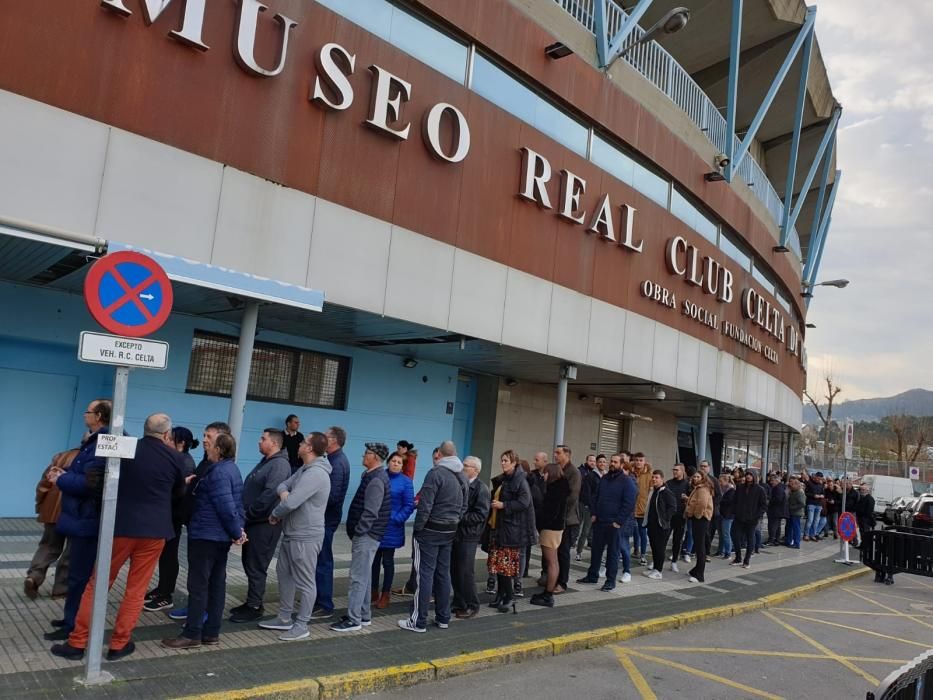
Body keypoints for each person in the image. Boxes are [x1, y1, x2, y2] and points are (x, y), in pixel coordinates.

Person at [52, 413, 186, 661]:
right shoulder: (175, 458)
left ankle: (77, 643)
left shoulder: (126, 448)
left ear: (144, 430)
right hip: (154, 531)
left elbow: (100, 477)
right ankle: (119, 644)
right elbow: (178, 492)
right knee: (136, 590)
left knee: (97, 583)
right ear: (167, 435)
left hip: (120, 527)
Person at [162, 432, 246, 649]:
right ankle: (211, 632)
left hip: (206, 536)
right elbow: (237, 504)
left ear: (219, 450)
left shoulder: (218, 472)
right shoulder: (232, 469)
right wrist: (238, 530)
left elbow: (226, 507)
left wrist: (237, 532)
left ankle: (192, 634)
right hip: (219, 537)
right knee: (217, 584)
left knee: (199, 586)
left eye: (210, 444)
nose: (206, 445)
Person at [44, 399, 111, 642]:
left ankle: (74, 624)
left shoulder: (105, 442)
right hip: (81, 517)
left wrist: (61, 480)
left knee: (80, 575)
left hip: (88, 518)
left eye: (89, 411)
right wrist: (64, 474)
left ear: (100, 416)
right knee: (75, 573)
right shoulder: (94, 440)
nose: (85, 414)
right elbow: (83, 473)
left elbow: (92, 483)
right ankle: (70, 618)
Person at [258, 432, 332, 641]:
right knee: (285, 576)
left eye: (303, 442)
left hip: (306, 536)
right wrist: (285, 495)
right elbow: (283, 486)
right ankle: (284, 618)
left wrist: (275, 514)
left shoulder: (316, 474)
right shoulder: (304, 469)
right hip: (291, 533)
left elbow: (291, 503)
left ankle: (302, 625)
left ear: (309, 448)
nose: (299, 444)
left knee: (306, 582)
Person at [399, 441, 468, 633]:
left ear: (439, 454)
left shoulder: (435, 474)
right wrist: (453, 521)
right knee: (443, 574)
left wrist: (419, 528)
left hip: (430, 531)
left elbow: (425, 505)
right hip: (449, 530)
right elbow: (464, 505)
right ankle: (443, 617)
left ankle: (418, 621)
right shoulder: (461, 475)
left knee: (424, 575)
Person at [231, 428, 291, 623]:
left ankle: (255, 606)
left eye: (263, 438)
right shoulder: (267, 462)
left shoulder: (279, 465)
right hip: (254, 522)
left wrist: (248, 514)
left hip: (264, 525)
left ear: (273, 443)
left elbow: (269, 495)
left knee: (257, 565)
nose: (259, 441)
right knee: (249, 562)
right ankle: (251, 602)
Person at [330, 443, 391, 633]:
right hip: (368, 535)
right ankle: (363, 615)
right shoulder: (373, 476)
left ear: (375, 457)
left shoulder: (376, 479)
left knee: (357, 578)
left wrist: (359, 531)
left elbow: (371, 512)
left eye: (366, 453)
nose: (363, 455)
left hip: (366, 536)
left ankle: (353, 619)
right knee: (363, 576)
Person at [144, 427, 198, 612]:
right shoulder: (175, 458)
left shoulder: (185, 462)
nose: (166, 441)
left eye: (170, 439)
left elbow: (178, 491)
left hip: (173, 515)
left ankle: (166, 595)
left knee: (169, 554)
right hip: (165, 513)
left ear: (181, 443)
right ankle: (162, 588)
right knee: (165, 554)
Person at [578, 452, 637, 591]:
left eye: (615, 462)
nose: (612, 464)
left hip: (614, 524)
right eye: (612, 461)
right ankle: (592, 576)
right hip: (600, 521)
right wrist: (594, 513)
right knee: (596, 551)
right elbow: (596, 496)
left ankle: (610, 581)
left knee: (613, 553)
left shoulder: (627, 481)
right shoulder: (604, 479)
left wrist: (619, 521)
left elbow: (629, 503)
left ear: (622, 465)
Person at [25, 447, 78, 601]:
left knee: (48, 546)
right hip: (74, 513)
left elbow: (43, 484)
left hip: (52, 510)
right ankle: (60, 589)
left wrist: (40, 505)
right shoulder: (91, 461)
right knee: (70, 550)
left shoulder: (62, 456)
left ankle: (34, 576)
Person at [485, 450, 534, 613]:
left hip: (511, 530)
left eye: (506, 460)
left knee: (505, 566)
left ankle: (509, 597)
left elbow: (524, 502)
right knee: (497, 565)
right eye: (502, 460)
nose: (503, 463)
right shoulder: (504, 479)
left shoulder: (520, 480)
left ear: (514, 463)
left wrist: (504, 506)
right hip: (499, 527)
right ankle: (500, 596)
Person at [311, 426, 350, 621]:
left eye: (326, 436)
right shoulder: (332, 460)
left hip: (326, 520)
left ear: (333, 440)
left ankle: (325, 604)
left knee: (323, 562)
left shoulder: (337, 462)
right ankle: (318, 599)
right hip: (325, 519)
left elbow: (332, 496)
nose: (323, 439)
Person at [372, 452, 415, 609]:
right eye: (393, 461)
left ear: (402, 466)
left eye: (399, 462)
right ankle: (373, 590)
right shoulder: (379, 476)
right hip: (376, 525)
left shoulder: (406, 482)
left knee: (388, 561)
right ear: (388, 462)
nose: (396, 463)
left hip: (392, 527)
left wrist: (396, 519)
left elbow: (409, 505)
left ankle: (385, 594)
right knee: (374, 561)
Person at [452, 456, 490, 619]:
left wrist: (460, 517)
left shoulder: (481, 488)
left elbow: (481, 515)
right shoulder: (461, 484)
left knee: (466, 571)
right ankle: (459, 602)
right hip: (457, 534)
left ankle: (472, 605)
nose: (462, 468)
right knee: (455, 570)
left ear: (476, 470)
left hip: (469, 535)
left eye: (465, 466)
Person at [530, 463, 570, 606]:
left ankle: (548, 594)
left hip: (550, 529)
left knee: (551, 562)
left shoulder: (554, 490)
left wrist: (539, 522)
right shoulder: (562, 487)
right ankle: (548, 592)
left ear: (550, 473)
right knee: (554, 562)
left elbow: (549, 513)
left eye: (545, 473)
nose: (543, 475)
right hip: (556, 528)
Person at [553, 445, 580, 594]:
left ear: (567, 455)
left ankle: (562, 582)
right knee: (554, 551)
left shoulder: (573, 472)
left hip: (567, 519)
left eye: (558, 453)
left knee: (563, 551)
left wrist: (558, 509)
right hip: (556, 518)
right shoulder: (557, 469)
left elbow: (572, 497)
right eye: (555, 453)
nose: (555, 455)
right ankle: (552, 577)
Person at [642, 470, 675, 579]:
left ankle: (658, 571)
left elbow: (672, 507)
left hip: (661, 526)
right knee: (654, 547)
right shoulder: (653, 491)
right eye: (653, 477)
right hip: (652, 525)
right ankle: (655, 567)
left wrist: (665, 519)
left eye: (656, 477)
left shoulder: (666, 492)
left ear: (662, 479)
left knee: (660, 548)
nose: (654, 479)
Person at [731, 472, 767, 569]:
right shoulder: (740, 487)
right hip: (739, 517)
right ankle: (738, 557)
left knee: (750, 538)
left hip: (751, 519)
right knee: (734, 535)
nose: (748, 476)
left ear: (754, 477)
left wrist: (757, 516)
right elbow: (735, 500)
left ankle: (746, 560)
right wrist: (735, 511)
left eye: (750, 475)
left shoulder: (760, 489)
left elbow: (763, 505)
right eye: (747, 474)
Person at [684, 472, 713, 583]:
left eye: (698, 477)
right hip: (698, 519)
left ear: (703, 478)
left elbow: (702, 504)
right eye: (694, 476)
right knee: (698, 545)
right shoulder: (699, 488)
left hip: (700, 519)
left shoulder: (703, 489)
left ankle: (699, 575)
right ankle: (695, 570)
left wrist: (696, 515)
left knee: (700, 547)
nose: (695, 478)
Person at [576, 455, 605, 560]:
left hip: (601, 508)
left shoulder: (606, 476)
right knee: (585, 530)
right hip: (590, 508)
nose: (602, 463)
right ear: (597, 464)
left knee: (599, 532)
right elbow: (587, 493)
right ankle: (579, 551)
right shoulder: (591, 476)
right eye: (600, 462)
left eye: (604, 462)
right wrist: (590, 506)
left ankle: (599, 554)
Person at [665, 464, 689, 574]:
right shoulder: (668, 483)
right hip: (669, 516)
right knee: (663, 539)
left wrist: (686, 499)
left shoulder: (687, 484)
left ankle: (674, 561)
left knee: (677, 540)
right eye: (673, 469)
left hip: (680, 517)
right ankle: (657, 561)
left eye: (676, 470)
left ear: (682, 471)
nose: (674, 472)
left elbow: (692, 499)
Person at [632, 453, 653, 565]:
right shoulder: (631, 473)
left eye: (641, 460)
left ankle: (643, 554)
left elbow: (651, 492)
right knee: (631, 531)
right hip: (630, 508)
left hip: (643, 508)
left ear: (644, 461)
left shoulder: (649, 475)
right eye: (637, 460)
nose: (639, 462)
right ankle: (636, 550)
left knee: (642, 532)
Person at [766, 473, 786, 547]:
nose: (771, 482)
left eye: (772, 481)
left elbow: (778, 499)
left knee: (773, 526)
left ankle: (772, 540)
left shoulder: (778, 488)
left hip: (775, 510)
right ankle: (776, 540)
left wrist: (769, 501)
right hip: (778, 510)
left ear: (776, 481)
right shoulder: (780, 487)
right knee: (777, 526)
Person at [785, 477, 806, 548]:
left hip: (796, 513)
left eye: (793, 484)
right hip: (791, 512)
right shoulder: (793, 491)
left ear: (797, 485)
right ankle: (789, 541)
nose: (791, 485)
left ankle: (797, 543)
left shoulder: (799, 492)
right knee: (790, 527)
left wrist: (792, 507)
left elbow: (802, 503)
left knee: (796, 528)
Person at [719, 474, 736, 559]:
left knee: (726, 534)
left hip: (728, 515)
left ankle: (728, 552)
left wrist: (721, 500)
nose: (720, 483)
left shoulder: (731, 490)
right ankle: (722, 551)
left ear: (726, 481)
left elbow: (727, 502)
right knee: (724, 534)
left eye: (721, 481)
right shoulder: (724, 490)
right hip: (724, 514)